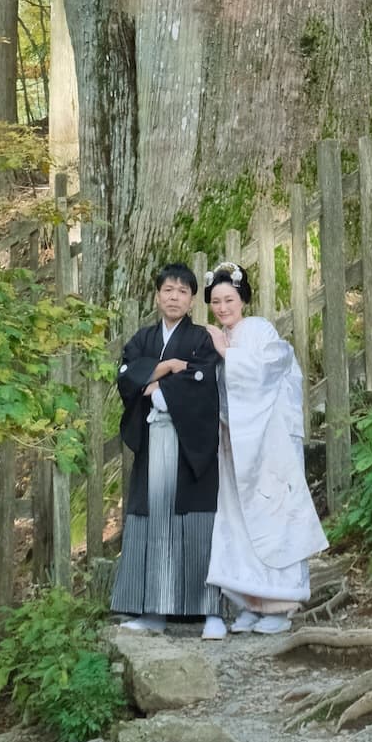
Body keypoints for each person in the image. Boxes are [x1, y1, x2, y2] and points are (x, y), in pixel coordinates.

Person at [205, 261, 328, 635]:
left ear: (243, 299)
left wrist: (228, 354)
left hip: (268, 443)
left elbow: (274, 367)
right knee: (238, 521)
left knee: (274, 515)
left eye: (229, 299)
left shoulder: (258, 330)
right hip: (236, 443)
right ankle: (250, 601)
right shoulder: (222, 337)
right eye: (215, 301)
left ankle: (281, 604)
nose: (223, 308)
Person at [111, 261, 227, 638]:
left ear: (192, 300)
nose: (174, 297)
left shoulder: (201, 339)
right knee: (151, 520)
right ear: (157, 296)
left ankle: (211, 611)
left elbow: (203, 379)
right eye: (168, 290)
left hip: (190, 445)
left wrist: (158, 388)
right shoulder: (143, 338)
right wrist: (166, 367)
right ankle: (152, 611)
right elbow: (127, 376)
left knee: (197, 524)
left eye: (182, 291)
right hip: (153, 445)